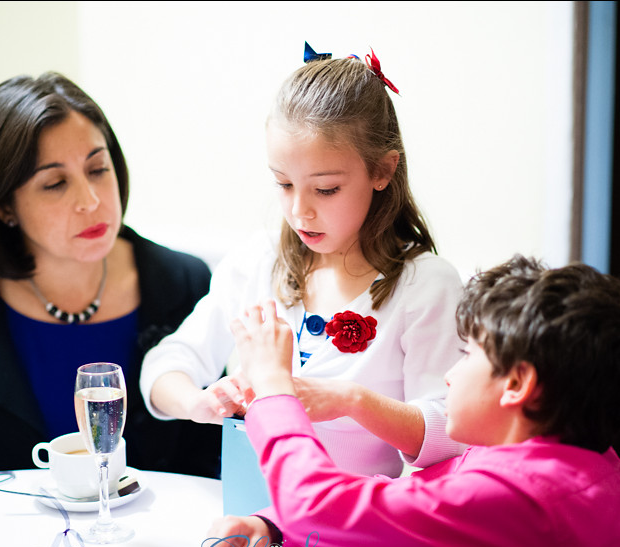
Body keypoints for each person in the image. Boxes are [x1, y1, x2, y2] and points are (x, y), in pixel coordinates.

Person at [198, 255, 620, 547]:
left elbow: (314, 505)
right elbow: (394, 501)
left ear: (518, 384)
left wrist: (273, 386)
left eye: (468, 356)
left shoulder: (522, 500)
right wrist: (270, 528)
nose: (450, 374)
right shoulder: (577, 460)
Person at [0, 72, 218, 489]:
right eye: (55, 183)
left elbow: (210, 465)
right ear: (3, 207)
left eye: (98, 169)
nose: (91, 201)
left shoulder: (183, 282)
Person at [140, 47, 466, 480]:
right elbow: (166, 365)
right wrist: (196, 402)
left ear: (383, 170)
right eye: (283, 184)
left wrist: (352, 400)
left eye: (326, 189)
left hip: (357, 534)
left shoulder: (425, 286)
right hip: (253, 522)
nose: (299, 212)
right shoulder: (258, 262)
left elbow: (451, 431)